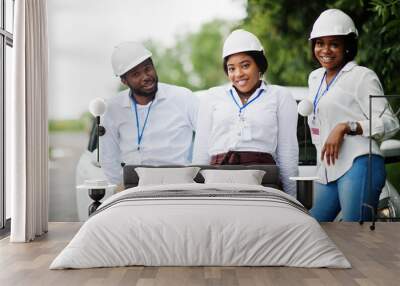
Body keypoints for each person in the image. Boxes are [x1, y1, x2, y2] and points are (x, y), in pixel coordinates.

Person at [304, 9, 399, 221]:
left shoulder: (361, 77)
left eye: (334, 44)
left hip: (360, 162)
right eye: (320, 43)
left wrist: (347, 126)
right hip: (328, 167)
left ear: (347, 46)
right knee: (314, 228)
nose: (325, 50)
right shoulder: (315, 78)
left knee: (355, 234)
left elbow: (390, 122)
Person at [192, 29, 299, 196]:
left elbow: (287, 152)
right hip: (217, 180)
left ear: (259, 65)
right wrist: (198, 194)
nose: (238, 74)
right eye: (231, 68)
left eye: (245, 65)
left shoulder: (279, 96)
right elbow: (201, 151)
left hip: (263, 182)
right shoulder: (212, 96)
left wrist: (292, 198)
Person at [100, 42, 198, 184]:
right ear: (124, 81)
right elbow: (108, 157)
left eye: (148, 69)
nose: (146, 76)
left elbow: (206, 136)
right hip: (133, 188)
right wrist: (119, 187)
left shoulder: (183, 98)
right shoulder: (112, 109)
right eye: (136, 74)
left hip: (179, 184)